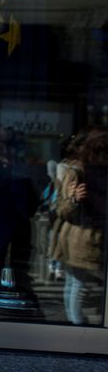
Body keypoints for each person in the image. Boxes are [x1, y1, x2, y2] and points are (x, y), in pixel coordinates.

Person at [52, 127, 107, 324]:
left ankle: (76, 326)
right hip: (81, 238)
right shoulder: (78, 171)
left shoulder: (94, 172)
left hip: (87, 237)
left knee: (76, 286)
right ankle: (77, 328)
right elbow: (61, 209)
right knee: (78, 286)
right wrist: (74, 199)